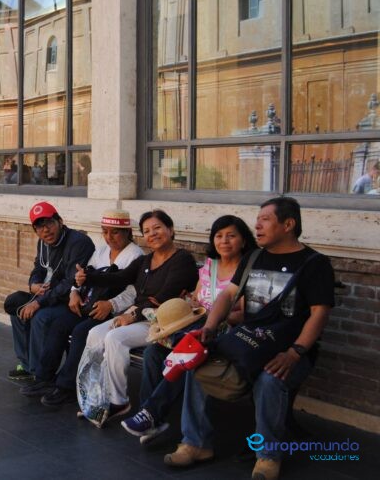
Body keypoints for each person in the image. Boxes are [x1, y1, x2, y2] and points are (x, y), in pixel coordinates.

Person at [164, 197, 335, 480]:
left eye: (265, 219)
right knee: (198, 363)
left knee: (270, 379)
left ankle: (267, 457)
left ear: (288, 224)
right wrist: (210, 325)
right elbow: (229, 295)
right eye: (258, 218)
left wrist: (294, 353)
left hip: (288, 350)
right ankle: (195, 443)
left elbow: (319, 314)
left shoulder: (314, 264)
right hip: (248, 341)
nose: (257, 224)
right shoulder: (254, 258)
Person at [123, 215, 256, 442]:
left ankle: (151, 414)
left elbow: (243, 313)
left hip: (224, 333)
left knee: (187, 355)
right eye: (219, 236)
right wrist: (191, 303)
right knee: (154, 353)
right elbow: (196, 298)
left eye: (231, 236)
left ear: (243, 241)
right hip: (194, 328)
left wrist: (213, 316)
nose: (224, 241)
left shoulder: (248, 271)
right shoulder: (210, 267)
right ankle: (151, 416)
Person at [73, 210, 199, 426]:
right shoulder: (145, 260)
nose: (153, 234)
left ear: (170, 230)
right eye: (147, 231)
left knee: (115, 339)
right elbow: (119, 277)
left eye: (158, 228)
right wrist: (87, 277)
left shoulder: (182, 260)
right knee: (94, 333)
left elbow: (165, 296)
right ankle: (97, 396)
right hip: (138, 317)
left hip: (161, 322)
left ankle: (118, 401)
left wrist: (132, 314)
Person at [21, 210, 143, 406]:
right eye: (105, 232)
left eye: (115, 232)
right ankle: (44, 378)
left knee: (80, 332)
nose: (109, 238)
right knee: (58, 323)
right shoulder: (102, 251)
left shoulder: (136, 256)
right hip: (89, 304)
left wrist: (111, 304)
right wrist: (74, 292)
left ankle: (67, 386)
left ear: (127, 232)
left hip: (112, 311)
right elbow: (82, 275)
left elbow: (133, 292)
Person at [3, 201, 95, 381]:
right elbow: (38, 267)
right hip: (46, 295)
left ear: (59, 221)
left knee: (40, 317)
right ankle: (27, 364)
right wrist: (33, 284)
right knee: (18, 311)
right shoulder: (43, 242)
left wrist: (38, 303)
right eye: (39, 227)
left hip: (71, 299)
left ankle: (40, 373)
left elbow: (70, 282)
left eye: (49, 224)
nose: (45, 230)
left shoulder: (78, 242)